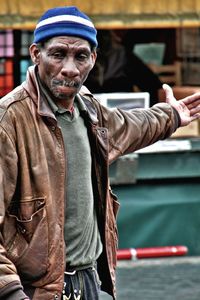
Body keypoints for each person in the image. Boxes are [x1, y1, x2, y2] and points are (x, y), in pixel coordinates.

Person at [0, 6, 200, 300]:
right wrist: (11, 292)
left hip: (87, 281)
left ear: (93, 59)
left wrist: (171, 116)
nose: (70, 67)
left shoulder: (88, 110)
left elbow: (130, 125)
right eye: (58, 54)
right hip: (36, 291)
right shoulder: (9, 121)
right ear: (35, 54)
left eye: (80, 56)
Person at [85, 29, 163, 106]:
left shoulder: (122, 55)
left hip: (105, 111)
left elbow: (153, 84)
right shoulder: (122, 54)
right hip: (119, 111)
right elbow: (153, 85)